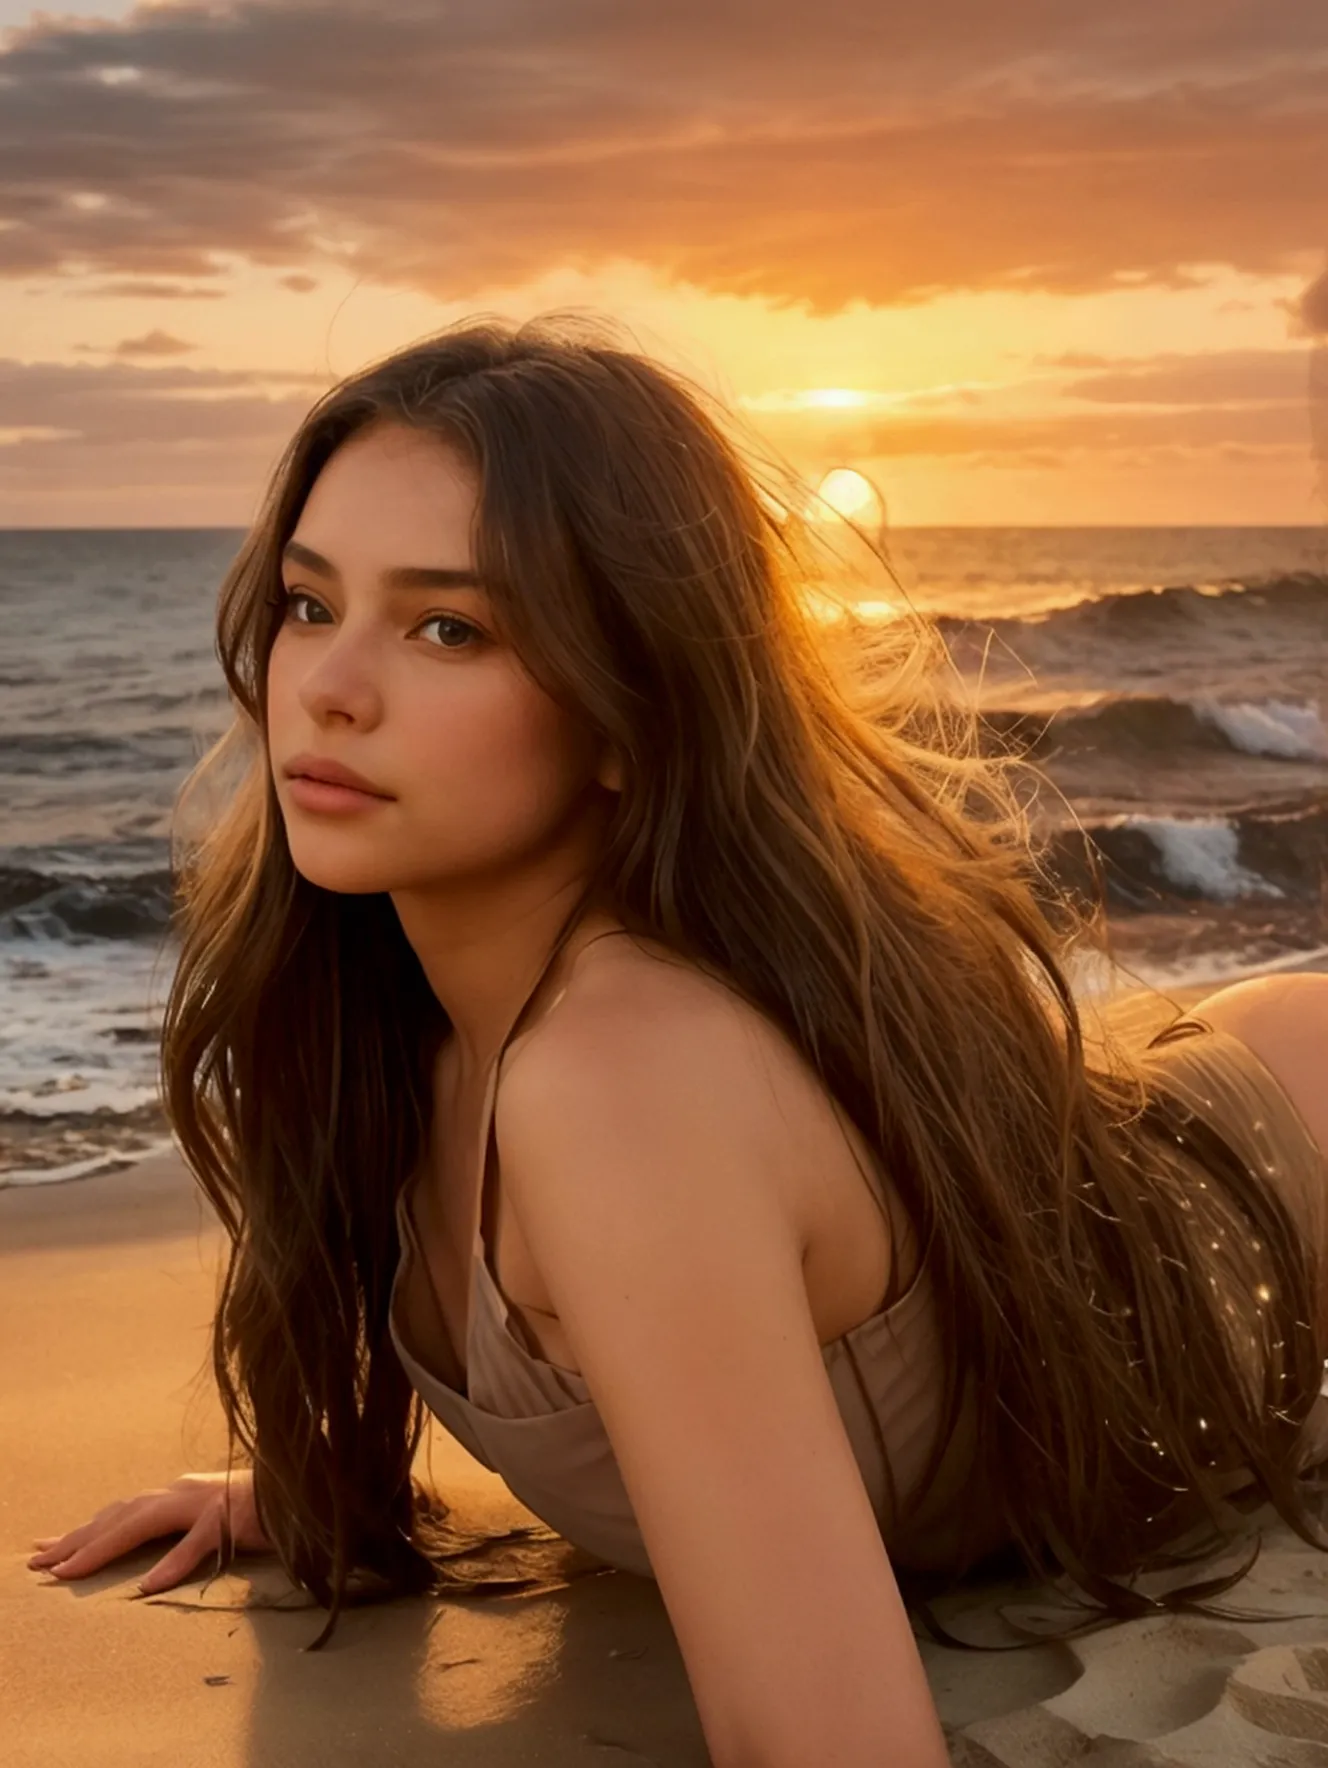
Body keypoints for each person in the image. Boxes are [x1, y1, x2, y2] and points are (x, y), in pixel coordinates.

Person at [27, 315, 1328, 1768]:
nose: (326, 685)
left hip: (1279, 1160)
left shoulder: (619, 1081)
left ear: (626, 713)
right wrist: (304, 1477)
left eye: (449, 626)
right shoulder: (383, 1015)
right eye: (310, 604)